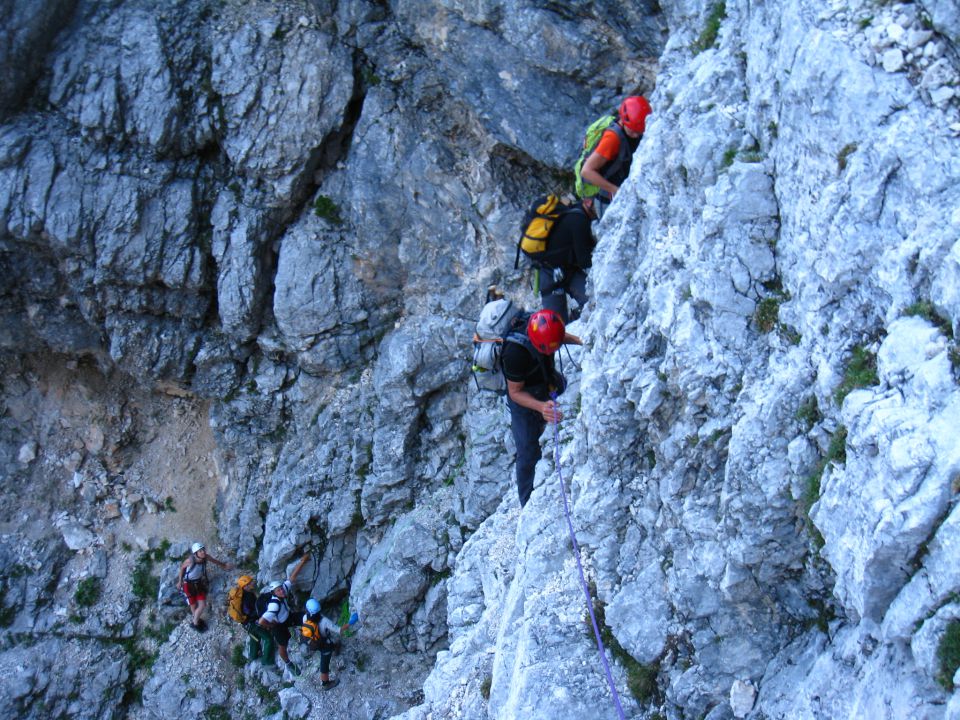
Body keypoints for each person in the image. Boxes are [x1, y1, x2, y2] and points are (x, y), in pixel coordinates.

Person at [501, 309, 582, 507]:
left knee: (561, 386)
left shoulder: (546, 327)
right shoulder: (514, 353)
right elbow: (515, 392)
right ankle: (526, 501)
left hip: (543, 378)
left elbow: (559, 336)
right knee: (528, 449)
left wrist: (582, 341)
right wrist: (541, 407)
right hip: (524, 393)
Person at [579, 95, 651, 217]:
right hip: (608, 198)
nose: (636, 135)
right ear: (623, 121)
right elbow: (586, 171)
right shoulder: (612, 139)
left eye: (639, 132)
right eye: (633, 131)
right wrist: (615, 190)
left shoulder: (635, 129)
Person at [535, 197, 597, 323]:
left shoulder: (572, 214)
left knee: (556, 323)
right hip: (562, 272)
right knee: (593, 300)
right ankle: (577, 318)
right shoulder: (579, 220)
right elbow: (584, 261)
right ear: (589, 203)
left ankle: (575, 318)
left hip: (550, 272)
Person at [257, 553, 310, 676]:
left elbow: (292, 578)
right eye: (278, 590)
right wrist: (271, 625)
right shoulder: (274, 605)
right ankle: (288, 663)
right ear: (274, 593)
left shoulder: (283, 591)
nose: (281, 590)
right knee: (283, 645)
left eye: (281, 588)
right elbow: (261, 622)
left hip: (287, 617)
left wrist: (303, 561)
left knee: (308, 618)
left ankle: (305, 638)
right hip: (278, 625)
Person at [177, 542, 232, 632]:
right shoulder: (189, 561)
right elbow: (182, 569)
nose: (203, 552)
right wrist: (179, 581)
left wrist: (224, 565)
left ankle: (195, 622)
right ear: (196, 553)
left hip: (198, 583)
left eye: (203, 550)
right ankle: (197, 621)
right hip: (188, 584)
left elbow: (215, 561)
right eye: (200, 551)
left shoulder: (206, 557)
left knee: (202, 605)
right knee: (193, 604)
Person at [300, 598, 350, 690]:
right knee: (324, 664)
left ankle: (335, 647)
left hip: (313, 642)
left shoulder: (305, 618)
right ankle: (325, 683)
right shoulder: (324, 620)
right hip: (325, 644)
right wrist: (349, 624)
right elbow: (338, 630)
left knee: (332, 645)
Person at [233, 575, 274, 665]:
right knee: (268, 639)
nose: (252, 583)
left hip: (248, 623)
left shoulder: (246, 594)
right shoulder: (247, 598)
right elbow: (249, 611)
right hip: (252, 622)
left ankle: (253, 655)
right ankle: (266, 661)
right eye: (250, 583)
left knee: (255, 637)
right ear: (245, 586)